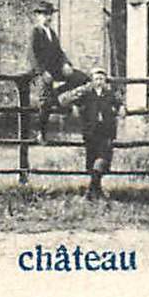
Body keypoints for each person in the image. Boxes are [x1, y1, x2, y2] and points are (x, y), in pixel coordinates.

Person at [58, 69, 126, 200]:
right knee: (92, 161)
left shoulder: (110, 94)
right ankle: (97, 190)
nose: (99, 82)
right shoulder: (86, 93)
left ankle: (90, 191)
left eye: (102, 79)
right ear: (92, 81)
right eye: (96, 79)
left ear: (105, 80)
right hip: (91, 131)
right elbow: (64, 100)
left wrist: (122, 107)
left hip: (107, 131)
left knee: (104, 159)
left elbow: (119, 103)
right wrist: (73, 107)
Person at [28, 0, 88, 142]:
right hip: (41, 72)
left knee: (82, 78)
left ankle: (58, 96)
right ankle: (41, 132)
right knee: (45, 101)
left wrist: (66, 64)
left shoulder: (52, 33)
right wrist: (42, 72)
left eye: (49, 14)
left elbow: (59, 52)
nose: (47, 17)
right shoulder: (35, 32)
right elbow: (32, 55)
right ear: (37, 16)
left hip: (55, 69)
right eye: (44, 14)